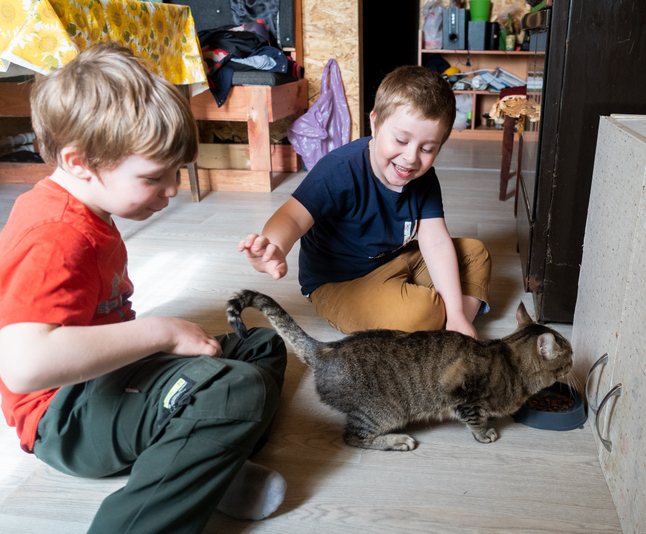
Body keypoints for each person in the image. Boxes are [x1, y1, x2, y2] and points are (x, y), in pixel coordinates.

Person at [0, 43, 287, 533]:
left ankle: (198, 465)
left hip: (109, 380)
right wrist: (161, 334)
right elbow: (24, 366)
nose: (173, 189)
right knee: (233, 390)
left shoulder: (91, 209)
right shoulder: (53, 233)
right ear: (79, 161)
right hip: (65, 416)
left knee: (262, 345)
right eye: (155, 177)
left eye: (174, 172)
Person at [240, 65, 492, 338]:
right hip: (341, 283)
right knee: (421, 312)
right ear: (374, 123)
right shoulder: (339, 169)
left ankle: (452, 331)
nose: (411, 157)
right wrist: (274, 245)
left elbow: (436, 242)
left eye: (427, 149)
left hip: (395, 260)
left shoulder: (424, 178)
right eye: (401, 140)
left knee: (475, 253)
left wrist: (456, 313)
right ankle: (439, 327)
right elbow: (292, 216)